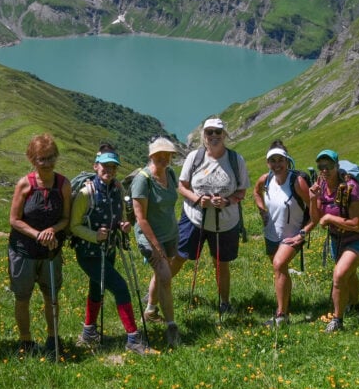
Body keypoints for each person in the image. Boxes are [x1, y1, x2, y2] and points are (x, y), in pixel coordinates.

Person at [70, 145, 149, 355]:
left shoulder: (117, 189)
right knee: (121, 288)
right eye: (105, 166)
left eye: (113, 167)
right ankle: (133, 338)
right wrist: (94, 236)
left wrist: (124, 225)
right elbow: (74, 226)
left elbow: (121, 216)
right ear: (96, 166)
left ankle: (88, 332)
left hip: (110, 249)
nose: (110, 170)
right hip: (88, 253)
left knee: (97, 288)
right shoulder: (86, 193)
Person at [173, 117, 250, 315]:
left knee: (221, 263)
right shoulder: (194, 157)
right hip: (194, 218)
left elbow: (241, 191)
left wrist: (226, 202)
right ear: (204, 136)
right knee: (179, 257)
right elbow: (182, 186)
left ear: (224, 135)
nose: (214, 136)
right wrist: (198, 200)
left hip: (224, 223)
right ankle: (155, 294)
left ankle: (224, 302)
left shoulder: (236, 160)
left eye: (218, 132)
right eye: (209, 132)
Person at [8, 134, 71, 355]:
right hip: (23, 250)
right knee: (22, 296)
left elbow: (65, 218)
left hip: (51, 251)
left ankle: (53, 338)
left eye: (51, 157)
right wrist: (37, 234)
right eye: (42, 159)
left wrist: (52, 230)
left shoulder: (63, 184)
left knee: (51, 296)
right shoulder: (24, 184)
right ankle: (25, 341)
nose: (47, 163)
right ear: (33, 160)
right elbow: (14, 220)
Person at [309, 149, 359, 332]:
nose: (325, 170)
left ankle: (337, 321)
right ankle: (354, 305)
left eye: (329, 166)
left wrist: (330, 219)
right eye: (321, 166)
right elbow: (316, 219)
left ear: (337, 166)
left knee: (339, 275)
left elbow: (356, 224)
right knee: (349, 274)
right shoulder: (321, 186)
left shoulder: (350, 188)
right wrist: (313, 200)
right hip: (337, 240)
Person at [253, 140, 314, 326]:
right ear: (268, 163)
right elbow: (256, 193)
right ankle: (285, 305)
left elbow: (315, 211)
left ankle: (281, 316)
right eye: (273, 160)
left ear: (288, 161)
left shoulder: (298, 182)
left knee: (279, 265)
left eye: (281, 160)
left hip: (292, 235)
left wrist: (303, 233)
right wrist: (262, 210)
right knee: (280, 269)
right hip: (271, 235)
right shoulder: (266, 179)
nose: (277, 164)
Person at [131, 136, 181, 348]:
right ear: (151, 156)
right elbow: (140, 218)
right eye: (159, 156)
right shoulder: (143, 180)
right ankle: (172, 327)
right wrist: (156, 245)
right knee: (165, 277)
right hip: (150, 237)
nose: (163, 159)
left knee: (160, 275)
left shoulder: (170, 173)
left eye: (167, 155)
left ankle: (150, 311)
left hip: (169, 233)